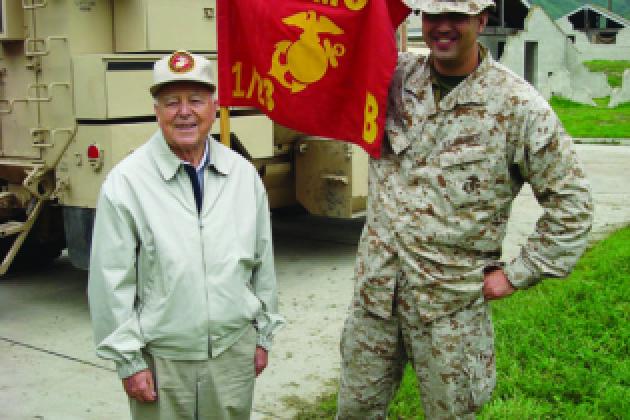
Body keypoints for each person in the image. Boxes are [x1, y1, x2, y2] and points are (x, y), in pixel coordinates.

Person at [336, 1, 594, 418]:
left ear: (482, 20)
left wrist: (517, 274)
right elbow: (330, 55)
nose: (442, 27)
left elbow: (573, 207)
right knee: (353, 412)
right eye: (433, 15)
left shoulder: (518, 106)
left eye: (456, 16)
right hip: (376, 297)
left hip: (450, 309)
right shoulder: (391, 79)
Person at [88, 50, 284, 419]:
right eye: (171, 101)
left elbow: (263, 264)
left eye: (195, 99)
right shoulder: (127, 182)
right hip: (162, 363)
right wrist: (130, 362)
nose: (184, 111)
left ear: (214, 105)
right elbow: (110, 282)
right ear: (157, 110)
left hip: (232, 357)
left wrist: (263, 335)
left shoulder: (242, 175)